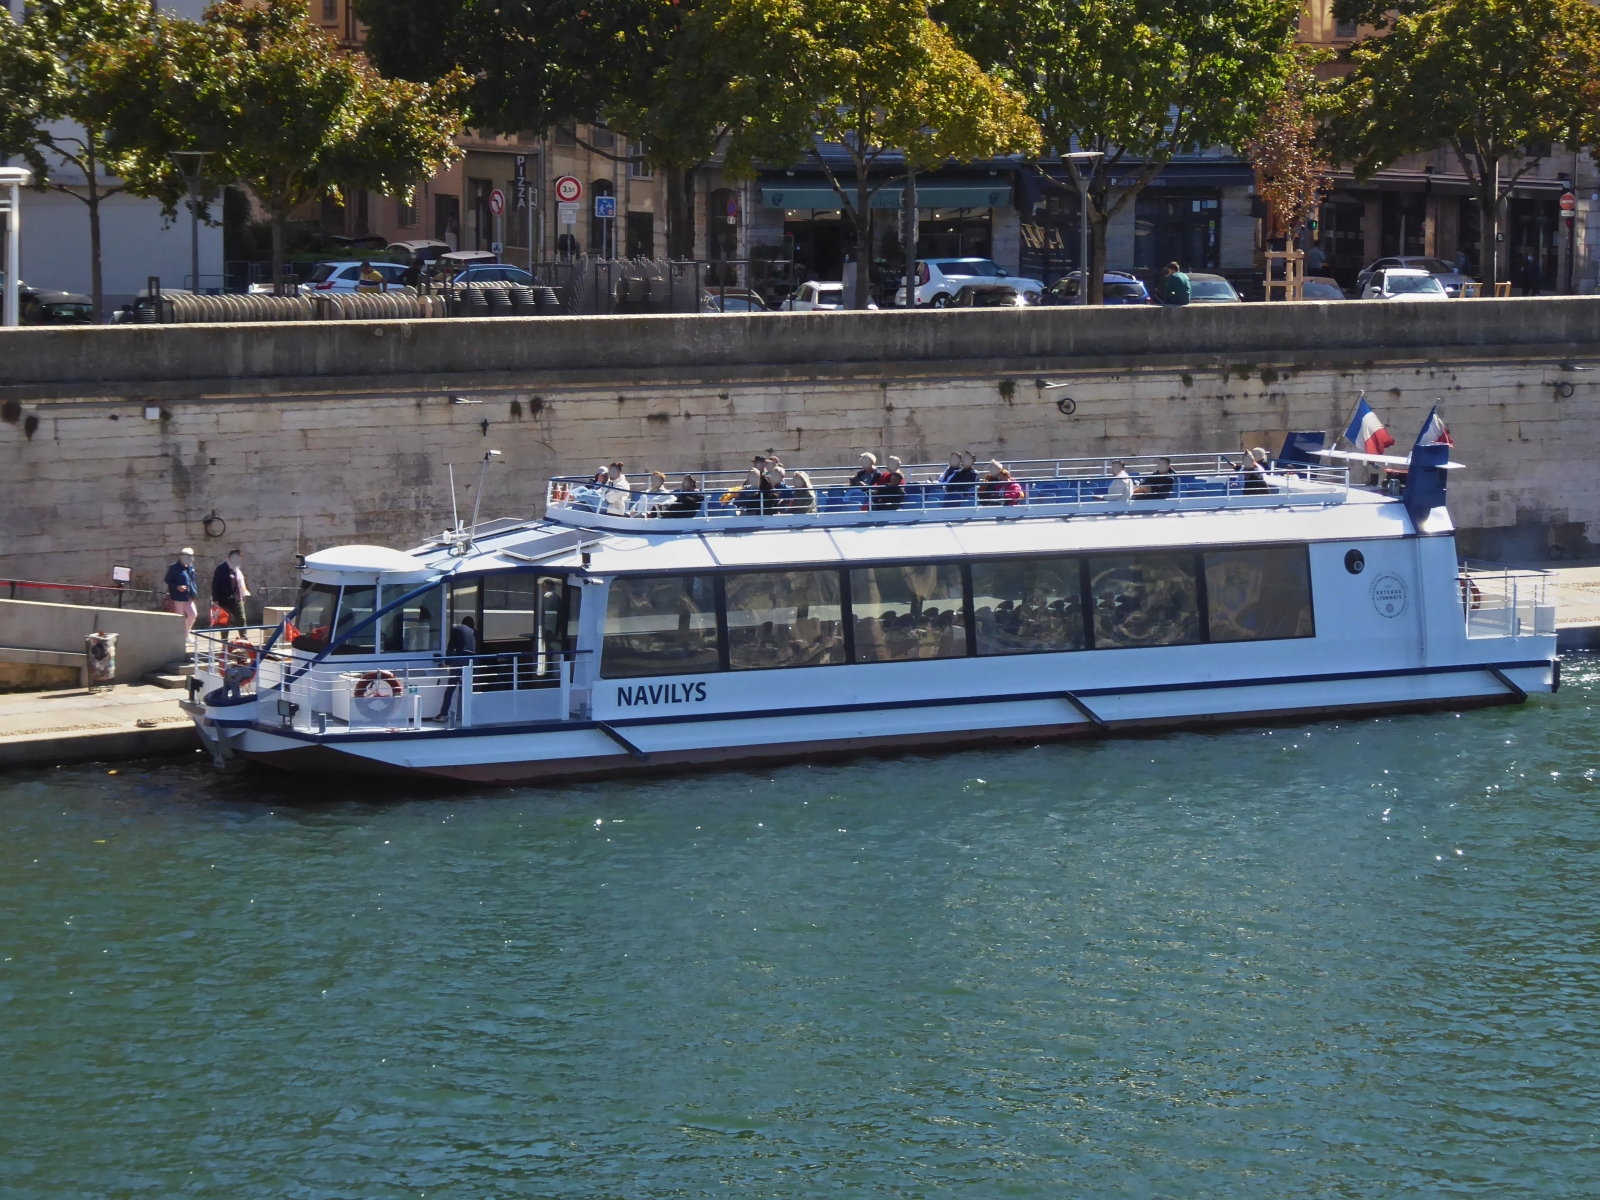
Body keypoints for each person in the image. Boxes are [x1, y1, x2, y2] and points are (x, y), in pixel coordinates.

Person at [164, 547, 199, 639]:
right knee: (179, 618)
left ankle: (186, 634)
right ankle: (179, 638)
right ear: (181, 557)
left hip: (188, 596)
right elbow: (167, 580)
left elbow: (193, 581)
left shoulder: (191, 567)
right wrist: (177, 587)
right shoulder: (174, 567)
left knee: (192, 615)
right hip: (178, 596)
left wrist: (194, 594)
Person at [211, 549, 250, 626]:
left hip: (237, 599)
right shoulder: (221, 568)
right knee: (224, 621)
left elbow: (240, 585)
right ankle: (224, 638)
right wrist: (215, 599)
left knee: (241, 620)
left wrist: (243, 597)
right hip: (224, 600)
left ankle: (243, 637)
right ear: (229, 557)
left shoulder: (237, 569)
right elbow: (215, 584)